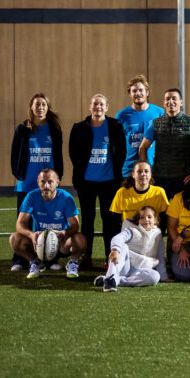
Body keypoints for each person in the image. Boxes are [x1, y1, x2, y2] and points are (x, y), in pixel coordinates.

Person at [69, 93, 126, 268]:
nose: (98, 107)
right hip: (87, 182)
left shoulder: (115, 126)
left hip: (110, 181)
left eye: (101, 104)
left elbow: (122, 151)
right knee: (88, 220)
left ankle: (111, 257)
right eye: (95, 104)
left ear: (107, 107)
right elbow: (73, 153)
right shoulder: (79, 127)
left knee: (110, 220)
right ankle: (87, 256)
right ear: (90, 107)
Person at [10, 93, 64, 271]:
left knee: (47, 222)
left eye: (43, 105)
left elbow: (58, 156)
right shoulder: (22, 129)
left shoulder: (54, 129)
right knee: (24, 223)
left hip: (48, 186)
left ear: (48, 108)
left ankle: (49, 259)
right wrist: (19, 174)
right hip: (27, 183)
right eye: (37, 105)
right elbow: (14, 154)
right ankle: (20, 259)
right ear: (31, 108)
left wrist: (58, 177)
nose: (40, 108)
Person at [11, 169, 86, 279]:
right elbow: (20, 224)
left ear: (57, 182)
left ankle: (73, 263)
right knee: (14, 238)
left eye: (50, 182)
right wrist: (31, 235)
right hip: (39, 242)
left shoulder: (66, 197)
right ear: (38, 182)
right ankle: (34, 262)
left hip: (61, 242)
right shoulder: (31, 196)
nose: (46, 185)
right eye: (42, 181)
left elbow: (75, 225)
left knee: (80, 239)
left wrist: (63, 233)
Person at [139, 88, 190, 197]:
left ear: (181, 102)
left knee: (184, 212)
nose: (170, 101)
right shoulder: (155, 123)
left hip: (184, 178)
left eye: (174, 98)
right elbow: (143, 148)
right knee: (160, 213)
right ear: (164, 103)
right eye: (167, 99)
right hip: (159, 177)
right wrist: (147, 173)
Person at [99, 206, 163, 291]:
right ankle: (110, 279)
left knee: (155, 276)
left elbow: (160, 256)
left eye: (149, 217)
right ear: (138, 221)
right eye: (142, 218)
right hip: (124, 267)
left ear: (155, 220)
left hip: (140, 272)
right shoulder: (133, 231)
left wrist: (164, 276)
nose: (146, 220)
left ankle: (115, 280)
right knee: (123, 246)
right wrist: (115, 249)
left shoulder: (158, 235)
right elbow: (118, 238)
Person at [117, 75, 165, 178]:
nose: (138, 93)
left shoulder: (159, 112)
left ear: (147, 92)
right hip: (129, 170)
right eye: (134, 91)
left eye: (141, 90)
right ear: (130, 94)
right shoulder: (121, 116)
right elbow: (116, 146)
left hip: (154, 169)